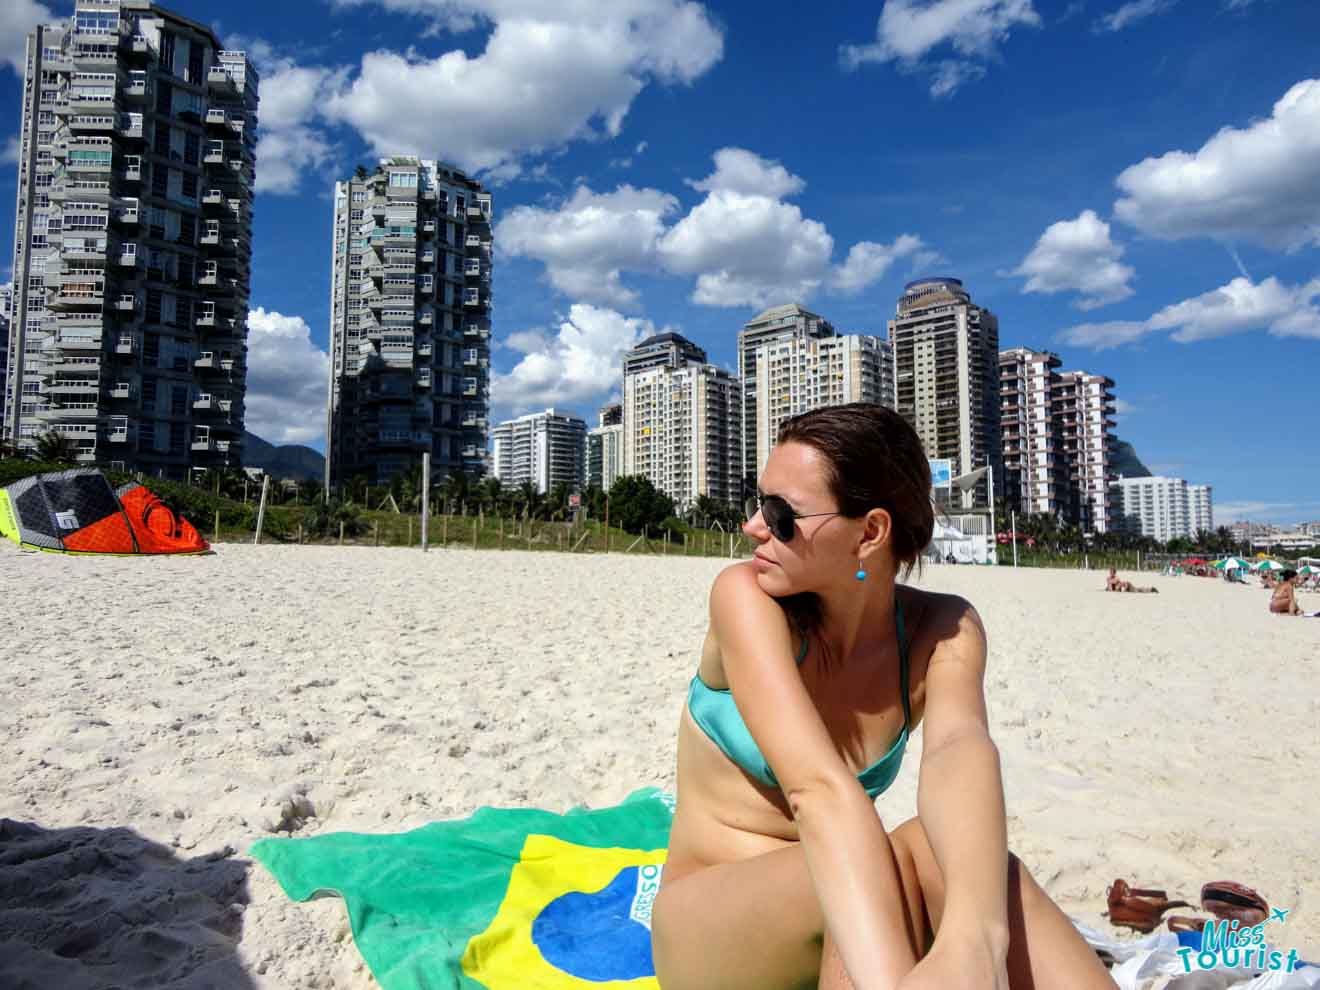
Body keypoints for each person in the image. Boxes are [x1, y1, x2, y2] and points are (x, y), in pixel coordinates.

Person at [651, 403, 1115, 990]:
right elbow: (816, 790)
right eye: (757, 501)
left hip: (849, 889)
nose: (753, 526)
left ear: (870, 532)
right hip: (712, 926)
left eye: (780, 513)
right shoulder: (744, 598)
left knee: (964, 861)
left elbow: (958, 748)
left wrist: (975, 938)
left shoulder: (941, 629)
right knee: (888, 859)